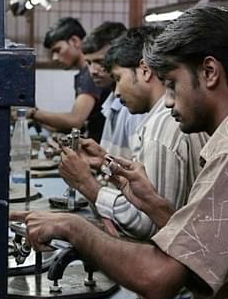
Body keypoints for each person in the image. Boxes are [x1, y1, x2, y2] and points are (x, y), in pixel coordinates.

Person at [13, 5, 228, 299]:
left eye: (173, 84)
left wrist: (72, 227)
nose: (167, 100)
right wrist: (157, 206)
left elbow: (160, 278)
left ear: (209, 72)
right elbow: (207, 254)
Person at [60, 26, 207, 239]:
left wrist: (86, 184)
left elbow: (147, 225)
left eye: (118, 78)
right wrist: (105, 161)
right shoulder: (169, 119)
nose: (117, 91)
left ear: (145, 71)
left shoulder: (161, 127)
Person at [29, 17, 110, 143]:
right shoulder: (82, 76)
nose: (55, 58)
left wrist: (32, 113)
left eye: (57, 50)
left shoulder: (91, 74)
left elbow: (75, 120)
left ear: (74, 41)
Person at [82, 22, 146, 158]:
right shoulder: (112, 103)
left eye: (100, 61)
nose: (93, 71)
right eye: (88, 63)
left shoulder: (133, 110)